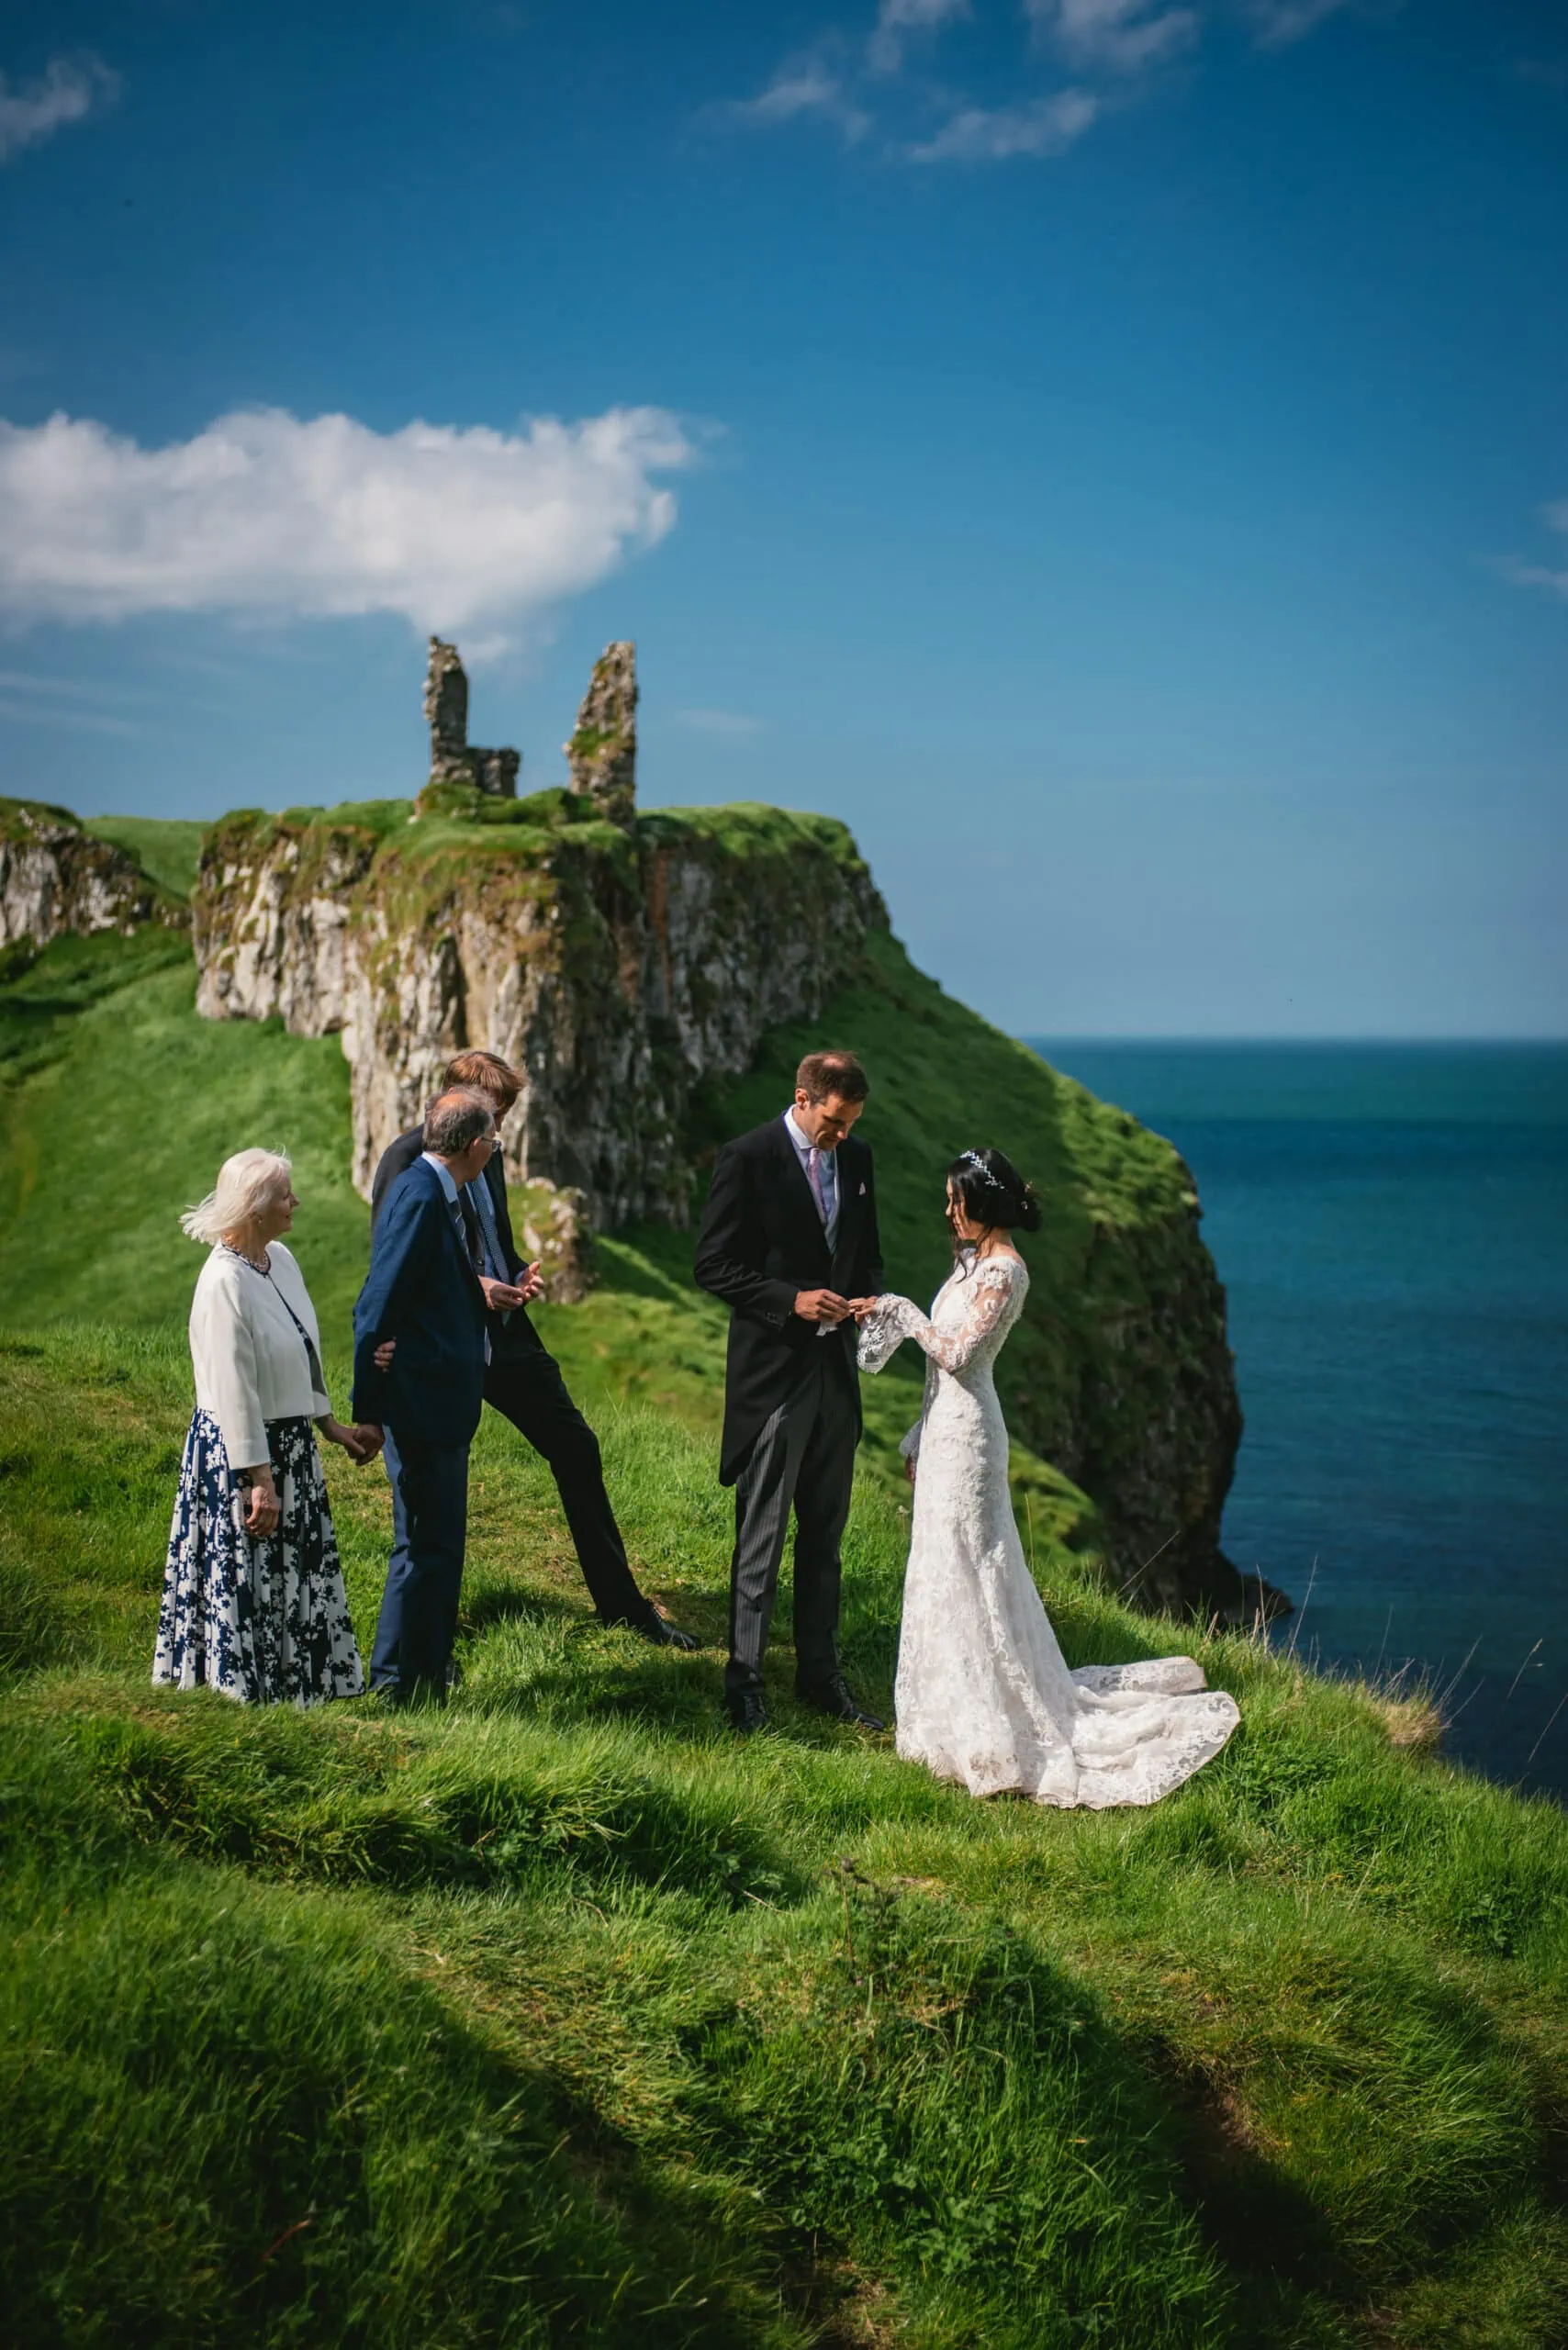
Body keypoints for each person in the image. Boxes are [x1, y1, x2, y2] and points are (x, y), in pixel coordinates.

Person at [855, 1147, 1240, 1807]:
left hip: (974, 1437)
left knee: (976, 1565)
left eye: (956, 1200)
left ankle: (997, 1721)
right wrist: (919, 1433)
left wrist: (900, 1312)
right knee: (942, 1566)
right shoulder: (969, 1263)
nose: (948, 1211)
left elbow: (956, 1354)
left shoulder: (1005, 1272)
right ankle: (947, 1715)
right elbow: (935, 1374)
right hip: (945, 1430)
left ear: (983, 1203)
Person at [369, 1048, 697, 1651]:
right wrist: (476, 1288)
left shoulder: (485, 1151)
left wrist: (516, 1274)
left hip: (506, 1335)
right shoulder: (403, 1162)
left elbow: (489, 1237)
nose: (501, 1132)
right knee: (430, 1505)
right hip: (443, 1347)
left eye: (505, 1119)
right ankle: (420, 1653)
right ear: (458, 1104)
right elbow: (394, 1269)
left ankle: (625, 1610)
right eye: (495, 1116)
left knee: (576, 1447)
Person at [693, 1048, 886, 1734]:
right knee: (762, 1535)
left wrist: (868, 1299)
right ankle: (743, 1683)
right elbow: (712, 1265)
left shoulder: (859, 1161)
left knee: (826, 1537)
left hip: (836, 1376)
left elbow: (866, 1254)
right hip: (774, 1373)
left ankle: (819, 1676)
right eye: (834, 1122)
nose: (842, 1136)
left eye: (852, 1124)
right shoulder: (746, 1157)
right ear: (803, 1099)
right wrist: (791, 1301)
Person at [154, 1148, 378, 1706]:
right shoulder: (221, 1282)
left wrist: (329, 1426)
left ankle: (297, 1686)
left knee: (292, 1571)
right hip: (241, 1452)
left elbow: (303, 1351)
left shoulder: (279, 1258)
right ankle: (237, 1691)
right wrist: (259, 1478)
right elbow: (233, 1390)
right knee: (246, 1572)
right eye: (285, 1195)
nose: (294, 1202)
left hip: (291, 1444)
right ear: (255, 1208)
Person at [353, 1089, 498, 1705]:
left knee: (437, 1548)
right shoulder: (418, 1196)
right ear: (472, 1146)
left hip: (440, 1403)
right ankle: (395, 1686)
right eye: (494, 1137)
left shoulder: (444, 1192)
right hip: (422, 1406)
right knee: (423, 1550)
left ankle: (425, 1678)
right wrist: (369, 1409)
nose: (496, 1148)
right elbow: (375, 1306)